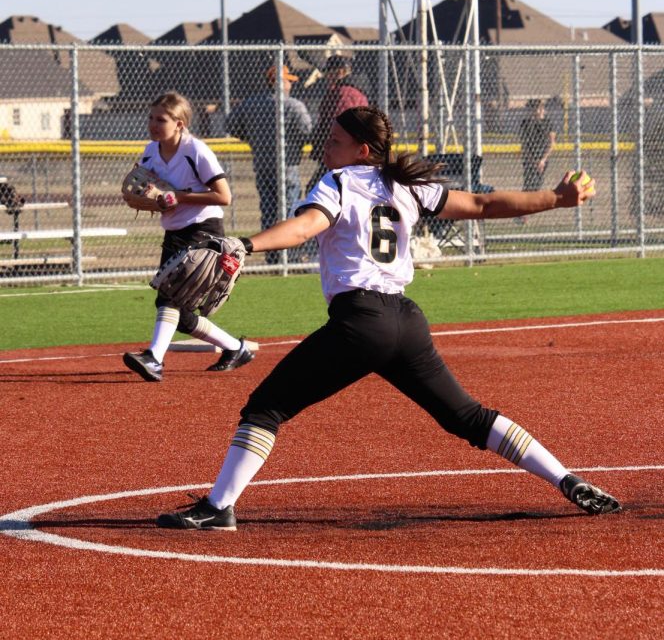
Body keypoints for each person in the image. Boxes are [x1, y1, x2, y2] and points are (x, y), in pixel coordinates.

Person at [156, 105, 621, 530]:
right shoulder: (408, 186)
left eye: (335, 141)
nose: (326, 147)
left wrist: (246, 244)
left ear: (361, 150)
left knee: (265, 408)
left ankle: (218, 507)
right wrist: (557, 199)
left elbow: (305, 227)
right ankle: (565, 478)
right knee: (468, 417)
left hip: (360, 322)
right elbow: (483, 205)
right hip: (406, 321)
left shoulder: (337, 183)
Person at [122, 91, 254, 381]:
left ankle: (154, 359)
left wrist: (175, 197)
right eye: (151, 118)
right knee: (178, 313)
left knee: (169, 296)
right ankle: (235, 348)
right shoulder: (151, 150)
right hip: (174, 233)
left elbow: (224, 196)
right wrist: (148, 199)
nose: (154, 124)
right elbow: (151, 193)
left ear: (179, 124)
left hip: (202, 229)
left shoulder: (196, 150)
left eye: (162, 119)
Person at [226, 65, 312, 263]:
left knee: (269, 210)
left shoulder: (251, 103)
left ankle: (272, 256)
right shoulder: (294, 105)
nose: (291, 85)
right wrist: (295, 140)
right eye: (288, 80)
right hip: (287, 167)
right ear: (279, 82)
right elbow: (308, 132)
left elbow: (230, 125)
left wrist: (254, 137)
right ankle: (288, 257)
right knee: (290, 210)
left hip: (263, 164)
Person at [306, 55, 368, 192]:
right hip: (344, 152)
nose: (326, 77)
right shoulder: (344, 90)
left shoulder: (345, 93)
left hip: (343, 154)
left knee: (318, 189)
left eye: (328, 72)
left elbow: (340, 126)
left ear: (339, 72)